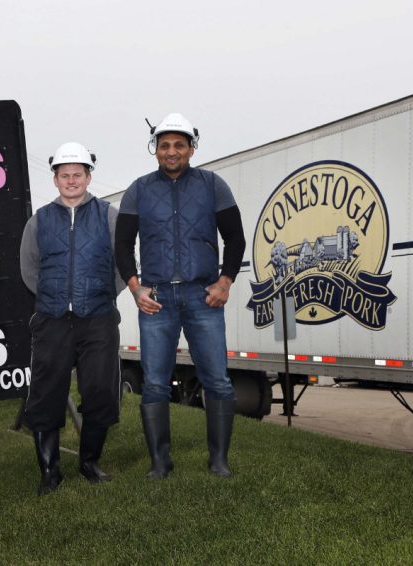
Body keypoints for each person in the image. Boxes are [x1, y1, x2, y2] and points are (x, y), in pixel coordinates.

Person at [115, 113, 246, 479]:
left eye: (179, 144)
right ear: (154, 149)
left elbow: (235, 238)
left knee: (217, 378)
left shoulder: (212, 185)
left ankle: (219, 460)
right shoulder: (138, 189)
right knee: (155, 382)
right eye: (164, 145)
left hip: (203, 297)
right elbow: (122, 245)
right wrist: (135, 287)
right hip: (156, 301)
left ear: (191, 148)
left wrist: (225, 282)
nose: (171, 151)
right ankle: (160, 462)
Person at [19, 142, 125, 496]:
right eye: (64, 175)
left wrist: (100, 295)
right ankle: (50, 472)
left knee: (100, 392)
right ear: (55, 180)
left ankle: (89, 462)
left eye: (77, 174)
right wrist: (54, 299)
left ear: (88, 176)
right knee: (46, 394)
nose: (71, 180)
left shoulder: (108, 214)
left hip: (97, 319)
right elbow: (29, 269)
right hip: (51, 320)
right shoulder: (39, 221)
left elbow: (123, 265)